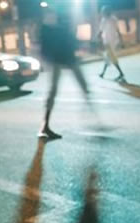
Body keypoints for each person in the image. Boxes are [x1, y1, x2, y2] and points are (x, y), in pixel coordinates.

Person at [38, 5, 91, 139]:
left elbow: (69, 38)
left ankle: (91, 115)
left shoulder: (61, 20)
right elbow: (44, 48)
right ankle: (45, 126)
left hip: (68, 58)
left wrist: (78, 46)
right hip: (58, 60)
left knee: (84, 86)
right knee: (53, 91)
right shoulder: (47, 27)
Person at [98, 6, 125, 81]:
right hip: (106, 41)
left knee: (111, 57)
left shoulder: (113, 19)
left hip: (113, 41)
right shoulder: (103, 20)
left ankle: (120, 73)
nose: (102, 13)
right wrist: (99, 37)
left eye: (103, 11)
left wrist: (122, 42)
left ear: (107, 11)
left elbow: (118, 31)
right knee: (108, 57)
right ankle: (103, 73)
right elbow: (101, 31)